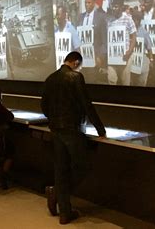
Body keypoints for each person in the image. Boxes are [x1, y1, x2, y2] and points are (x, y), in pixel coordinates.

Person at [41, 51, 106, 225]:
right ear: (76, 62)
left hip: (56, 129)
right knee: (81, 167)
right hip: (73, 129)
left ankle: (64, 212)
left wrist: (53, 119)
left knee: (61, 169)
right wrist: (100, 128)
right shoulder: (76, 77)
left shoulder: (50, 78)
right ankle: (56, 194)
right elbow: (87, 104)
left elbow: (44, 105)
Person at [77, 0, 107, 84]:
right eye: (85, 3)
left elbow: (104, 40)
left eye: (89, 3)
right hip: (81, 57)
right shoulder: (80, 17)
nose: (87, 5)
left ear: (94, 3)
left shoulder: (100, 17)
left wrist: (100, 57)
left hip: (94, 57)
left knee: (91, 82)